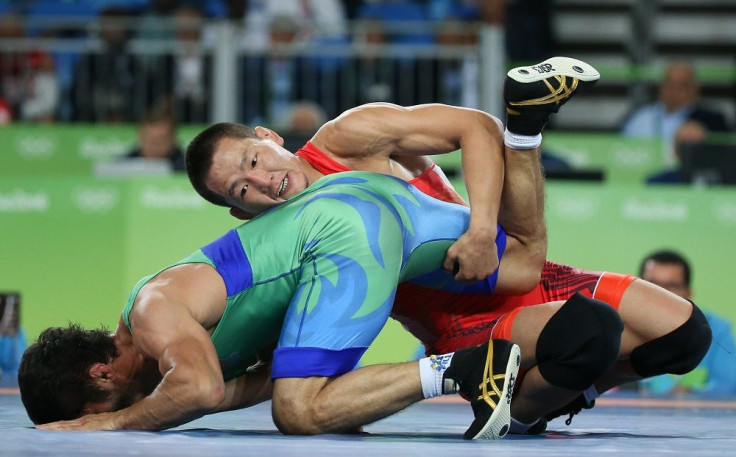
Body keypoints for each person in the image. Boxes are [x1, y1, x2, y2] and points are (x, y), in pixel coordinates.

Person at [188, 56, 712, 433]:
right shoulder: (283, 247)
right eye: (242, 190)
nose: (263, 181)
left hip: (500, 258)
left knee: (686, 335)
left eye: (253, 160)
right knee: (588, 332)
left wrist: (482, 227)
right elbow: (275, 356)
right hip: (465, 322)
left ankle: (561, 395)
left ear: (269, 137)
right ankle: (527, 407)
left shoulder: (348, 137)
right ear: (241, 211)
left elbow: (475, 127)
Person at [21, 171, 523, 441]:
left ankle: (472, 367)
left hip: (338, 235)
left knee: (298, 412)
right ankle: (526, 140)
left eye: (104, 408)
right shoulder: (175, 344)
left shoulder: (153, 312)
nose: (127, 411)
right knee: (526, 257)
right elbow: (214, 391)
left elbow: (200, 388)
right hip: (362, 204)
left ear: (102, 374)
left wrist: (112, 424)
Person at [639, 250, 736, 396]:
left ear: (688, 294)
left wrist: (689, 395)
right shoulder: (620, 328)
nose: (659, 293)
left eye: (671, 286)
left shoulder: (718, 329)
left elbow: (728, 386)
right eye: (651, 285)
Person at [620, 61, 729, 165]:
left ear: (695, 90)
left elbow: (722, 158)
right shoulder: (640, 116)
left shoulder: (712, 121)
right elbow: (617, 149)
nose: (674, 91)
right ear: (660, 87)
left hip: (684, 180)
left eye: (682, 85)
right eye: (669, 84)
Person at [125, 103, 185, 172]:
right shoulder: (122, 165)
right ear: (140, 137)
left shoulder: (190, 170)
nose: (154, 146)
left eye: (160, 140)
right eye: (149, 140)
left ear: (173, 140)